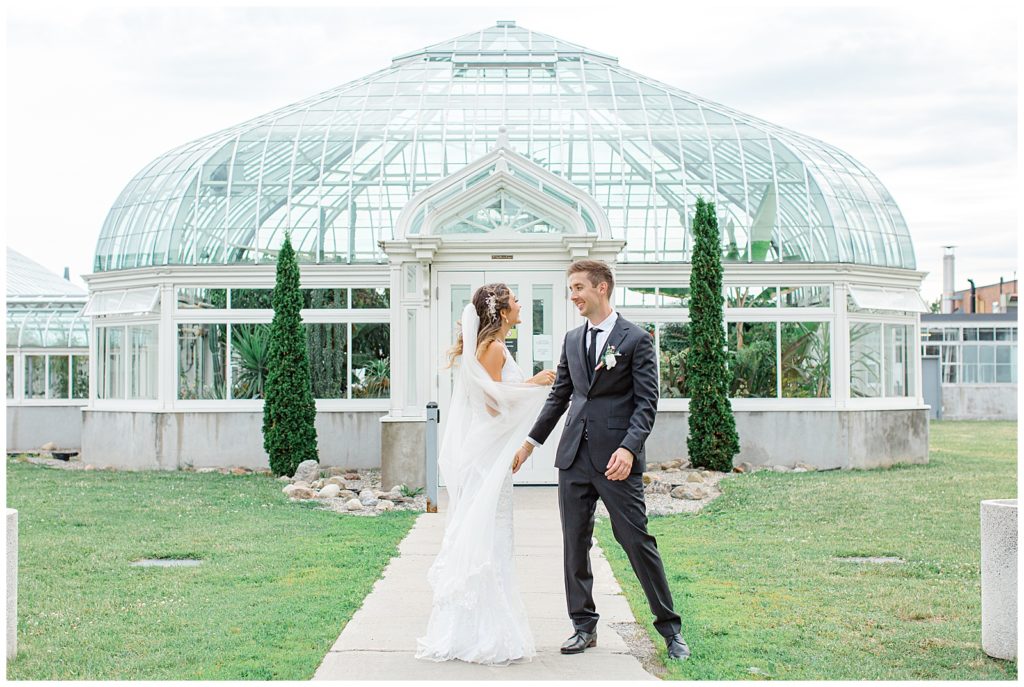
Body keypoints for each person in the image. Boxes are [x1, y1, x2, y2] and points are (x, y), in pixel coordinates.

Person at [512, 259, 690, 661]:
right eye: (570, 288)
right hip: (573, 457)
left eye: (577, 287)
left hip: (616, 460)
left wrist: (628, 448)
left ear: (602, 288)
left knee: (636, 541)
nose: (572, 295)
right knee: (574, 545)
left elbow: (647, 403)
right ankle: (583, 626)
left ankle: (670, 629)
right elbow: (560, 397)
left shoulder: (636, 339)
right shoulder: (573, 339)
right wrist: (529, 444)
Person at [415, 283, 556, 665]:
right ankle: (485, 634)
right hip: (487, 456)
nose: (520, 302)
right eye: (515, 298)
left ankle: (476, 629)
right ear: (502, 310)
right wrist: (534, 383)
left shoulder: (491, 347)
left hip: (488, 453)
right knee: (490, 538)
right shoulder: (493, 348)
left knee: (489, 537)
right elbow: (493, 407)